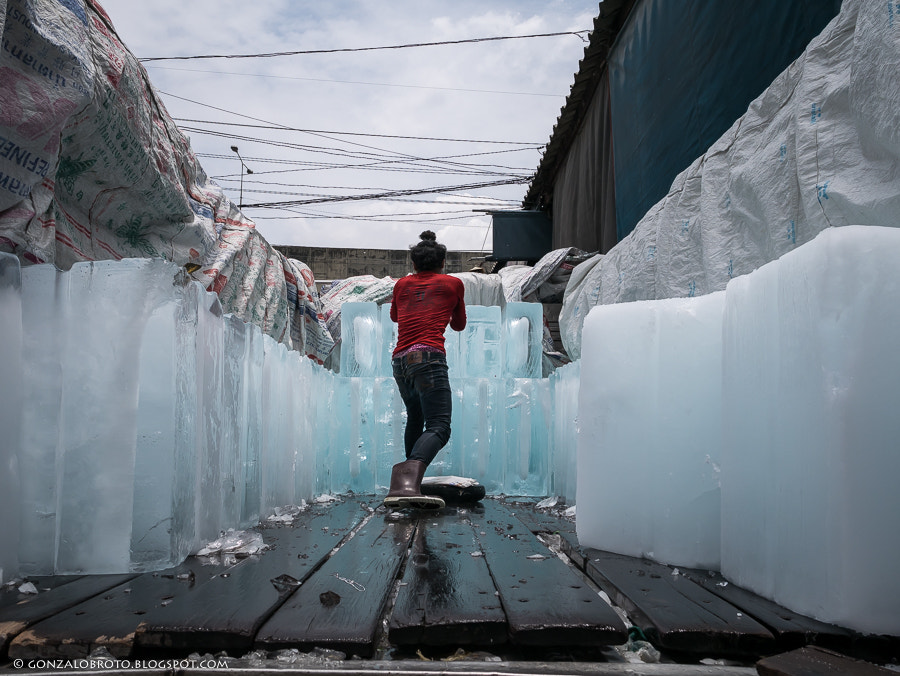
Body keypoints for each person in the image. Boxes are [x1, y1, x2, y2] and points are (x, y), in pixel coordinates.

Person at [384, 230, 466, 510]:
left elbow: (395, 315)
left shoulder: (401, 285)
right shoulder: (453, 283)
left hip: (400, 361)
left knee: (416, 419)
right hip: (429, 356)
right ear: (443, 262)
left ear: (414, 264)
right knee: (440, 426)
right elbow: (459, 325)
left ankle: (410, 485)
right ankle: (404, 483)